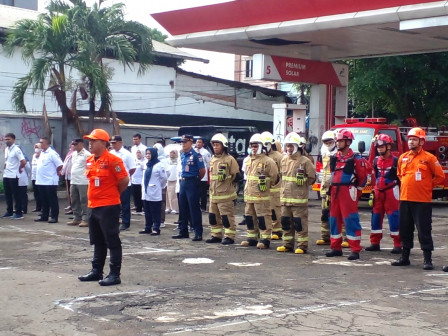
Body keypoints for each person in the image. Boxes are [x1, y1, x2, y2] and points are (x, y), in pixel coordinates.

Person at [78, 129, 129, 286]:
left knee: (112, 240)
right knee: (98, 240)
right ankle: (96, 271)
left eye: (93, 141)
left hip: (108, 206)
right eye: (89, 141)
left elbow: (124, 180)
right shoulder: (90, 160)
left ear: (103, 143)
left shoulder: (114, 160)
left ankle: (114, 274)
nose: (90, 144)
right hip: (93, 205)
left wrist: (113, 194)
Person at [391, 127, 445, 270]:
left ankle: (427, 259)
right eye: (409, 139)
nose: (411, 142)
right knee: (405, 229)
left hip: (422, 200)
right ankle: (404, 257)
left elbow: (440, 176)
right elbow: (399, 175)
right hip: (405, 199)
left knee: (424, 230)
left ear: (421, 141)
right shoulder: (403, 157)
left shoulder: (429, 158)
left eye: (414, 139)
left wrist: (427, 185)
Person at [325, 129, 368, 260]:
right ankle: (335, 247)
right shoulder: (334, 157)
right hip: (335, 192)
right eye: (337, 141)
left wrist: (357, 191)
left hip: (348, 192)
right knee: (333, 219)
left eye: (341, 141)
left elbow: (363, 177)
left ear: (348, 142)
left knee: (350, 220)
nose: (338, 143)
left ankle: (355, 249)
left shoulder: (356, 158)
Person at [277, 132, 316, 254]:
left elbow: (312, 178)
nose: (289, 148)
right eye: (287, 146)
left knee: (300, 224)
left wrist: (303, 180)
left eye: (291, 146)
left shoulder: (305, 161)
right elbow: (280, 176)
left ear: (297, 146)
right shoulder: (283, 160)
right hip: (285, 199)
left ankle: (302, 245)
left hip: (299, 199)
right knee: (285, 223)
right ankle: (287, 245)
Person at [365, 134, 401, 254]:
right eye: (377, 146)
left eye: (381, 145)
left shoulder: (397, 161)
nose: (379, 148)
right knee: (375, 217)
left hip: (392, 191)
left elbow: (401, 178)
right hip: (378, 192)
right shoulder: (375, 160)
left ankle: (397, 244)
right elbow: (374, 175)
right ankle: (374, 243)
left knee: (394, 217)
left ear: (389, 146)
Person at [241, 133, 278, 249]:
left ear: (262, 147)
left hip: (261, 196)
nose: (253, 148)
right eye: (252, 146)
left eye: (256, 146)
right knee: (249, 217)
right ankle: (252, 237)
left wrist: (265, 186)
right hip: (249, 196)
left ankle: (265, 238)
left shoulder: (268, 161)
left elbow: (275, 178)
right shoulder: (248, 160)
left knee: (263, 217)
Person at [205, 133, 240, 245]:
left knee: (227, 218)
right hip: (213, 195)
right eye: (214, 145)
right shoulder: (212, 159)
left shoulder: (230, 159)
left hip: (225, 195)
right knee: (213, 218)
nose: (215, 147)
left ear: (223, 146)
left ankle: (229, 236)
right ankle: (216, 235)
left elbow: (237, 176)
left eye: (217, 145)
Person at [172, 134, 205, 241]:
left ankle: (198, 232)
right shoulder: (182, 154)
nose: (183, 144)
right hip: (183, 182)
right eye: (182, 142)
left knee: (194, 208)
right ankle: (183, 230)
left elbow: (202, 171)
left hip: (192, 182)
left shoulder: (196, 155)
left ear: (191, 142)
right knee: (183, 207)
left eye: (185, 142)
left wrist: (195, 179)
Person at [109, 135, 136, 231]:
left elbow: (132, 168)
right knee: (113, 204)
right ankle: (114, 221)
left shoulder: (127, 154)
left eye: (114, 143)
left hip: (124, 183)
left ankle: (125, 222)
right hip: (113, 183)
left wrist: (126, 177)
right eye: (111, 143)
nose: (112, 145)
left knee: (124, 204)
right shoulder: (111, 153)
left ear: (120, 143)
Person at [261, 131, 284, 240]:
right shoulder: (259, 158)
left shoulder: (278, 157)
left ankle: (277, 230)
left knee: (275, 210)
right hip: (263, 189)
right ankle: (267, 229)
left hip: (276, 189)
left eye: (267, 144)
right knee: (265, 211)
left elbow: (283, 172)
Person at [139, 147, 167, 235]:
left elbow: (164, 178)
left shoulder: (159, 165)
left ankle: (156, 228)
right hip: (146, 190)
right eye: (146, 154)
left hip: (154, 190)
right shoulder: (146, 164)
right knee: (147, 211)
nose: (147, 155)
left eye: (149, 154)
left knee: (155, 211)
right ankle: (148, 227)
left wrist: (160, 186)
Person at [35, 137, 63, 223]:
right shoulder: (42, 153)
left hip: (50, 181)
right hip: (41, 180)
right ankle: (44, 216)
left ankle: (54, 217)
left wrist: (56, 172)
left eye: (42, 142)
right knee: (44, 199)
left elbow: (60, 165)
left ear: (47, 143)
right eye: (40, 142)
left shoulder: (52, 153)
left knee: (52, 200)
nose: (40, 144)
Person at [316, 131, 337, 245]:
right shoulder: (322, 153)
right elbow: (320, 170)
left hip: (336, 188)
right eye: (326, 142)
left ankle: (344, 238)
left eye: (330, 142)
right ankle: (325, 237)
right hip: (325, 188)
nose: (328, 144)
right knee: (325, 213)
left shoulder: (339, 153)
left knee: (339, 214)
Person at [2, 133, 26, 219]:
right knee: (7, 194)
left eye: (8, 139)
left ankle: (19, 212)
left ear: (13, 140)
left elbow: (23, 161)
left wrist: (19, 168)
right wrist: (5, 166)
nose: (7, 141)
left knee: (16, 194)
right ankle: (9, 211)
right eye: (6, 139)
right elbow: (7, 160)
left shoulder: (17, 150)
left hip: (13, 175)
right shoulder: (7, 149)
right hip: (7, 174)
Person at [68, 138, 90, 227]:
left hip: (83, 181)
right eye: (73, 144)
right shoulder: (73, 154)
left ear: (81, 144)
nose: (74, 146)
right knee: (74, 199)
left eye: (75, 144)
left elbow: (89, 168)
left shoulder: (87, 154)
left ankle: (86, 219)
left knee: (84, 200)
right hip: (74, 180)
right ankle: (77, 218)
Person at [154, 143, 168, 227]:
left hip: (161, 185)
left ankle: (161, 220)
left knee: (162, 202)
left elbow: (167, 173)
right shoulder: (153, 160)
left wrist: (162, 183)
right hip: (154, 186)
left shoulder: (163, 160)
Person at [195, 137, 211, 212]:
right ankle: (196, 206)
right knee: (196, 192)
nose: (198, 143)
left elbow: (209, 164)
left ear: (203, 144)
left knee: (203, 192)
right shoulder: (194, 151)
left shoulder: (205, 152)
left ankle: (203, 207)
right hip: (195, 175)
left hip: (203, 175)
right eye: (197, 142)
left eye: (200, 142)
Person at [17, 146, 31, 215]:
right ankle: (18, 207)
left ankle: (24, 208)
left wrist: (28, 175)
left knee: (23, 194)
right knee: (17, 194)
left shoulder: (24, 158)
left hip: (23, 177)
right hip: (16, 178)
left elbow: (28, 168)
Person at [61, 145, 74, 214]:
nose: (71, 146)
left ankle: (73, 208)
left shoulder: (76, 154)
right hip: (68, 174)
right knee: (69, 191)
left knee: (73, 193)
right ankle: (70, 205)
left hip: (74, 175)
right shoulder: (69, 153)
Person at [131, 149, 145, 215]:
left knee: (141, 195)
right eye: (137, 153)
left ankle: (143, 209)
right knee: (136, 196)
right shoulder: (134, 161)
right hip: (134, 181)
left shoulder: (144, 161)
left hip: (141, 181)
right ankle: (138, 209)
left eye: (139, 152)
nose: (138, 154)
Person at [166, 149, 179, 214]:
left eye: (173, 153)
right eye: (171, 153)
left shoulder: (178, 160)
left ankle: (175, 208)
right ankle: (168, 207)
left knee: (174, 194)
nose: (172, 154)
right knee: (168, 194)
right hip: (168, 179)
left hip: (175, 179)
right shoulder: (167, 160)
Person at [31, 143, 42, 213]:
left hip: (40, 177)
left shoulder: (43, 155)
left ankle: (44, 208)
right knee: (36, 193)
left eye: (37, 147)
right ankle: (38, 207)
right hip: (34, 177)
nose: (36, 148)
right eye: (35, 147)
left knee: (41, 193)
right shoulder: (34, 155)